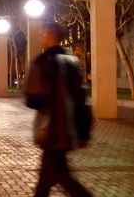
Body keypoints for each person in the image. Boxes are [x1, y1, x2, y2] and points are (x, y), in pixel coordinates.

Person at [24, 22, 93, 197]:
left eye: (43, 34)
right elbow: (79, 97)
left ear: (49, 35)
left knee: (61, 176)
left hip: (52, 129)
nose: (41, 38)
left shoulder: (42, 61)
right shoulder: (71, 59)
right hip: (68, 127)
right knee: (46, 178)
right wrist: (83, 131)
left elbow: (32, 99)